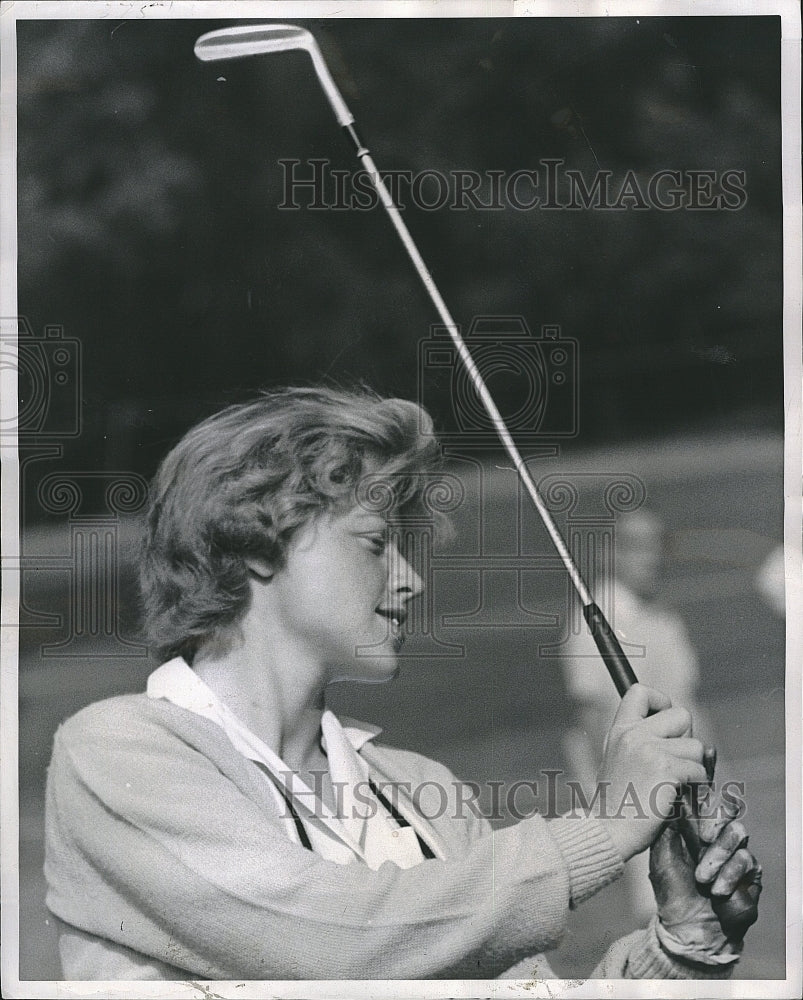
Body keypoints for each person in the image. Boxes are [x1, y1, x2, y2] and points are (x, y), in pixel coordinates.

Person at [44, 387, 760, 981]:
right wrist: (600, 831)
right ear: (256, 543)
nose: (410, 579)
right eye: (375, 543)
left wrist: (682, 946)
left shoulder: (423, 791)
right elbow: (323, 935)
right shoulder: (117, 755)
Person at [561, 508, 715, 925]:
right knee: (664, 905)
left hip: (685, 774)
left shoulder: (664, 617)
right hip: (638, 783)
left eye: (656, 546)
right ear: (610, 554)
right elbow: (594, 718)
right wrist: (617, 799)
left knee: (705, 892)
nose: (652, 558)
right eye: (637, 547)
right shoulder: (596, 621)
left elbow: (689, 700)